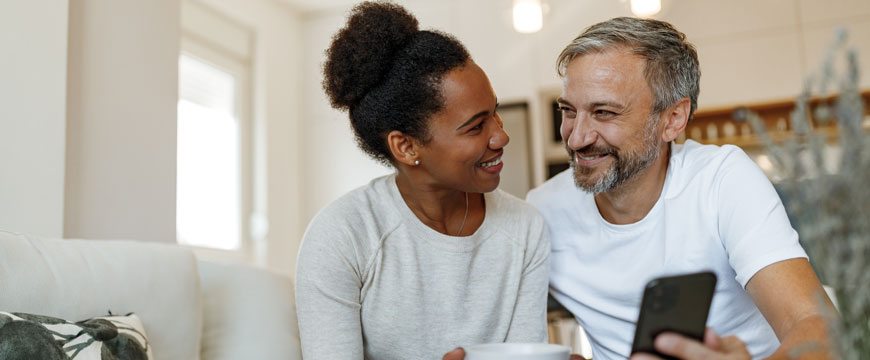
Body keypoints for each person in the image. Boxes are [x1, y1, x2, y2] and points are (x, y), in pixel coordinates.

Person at [526, 17, 836, 360]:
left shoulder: (722, 180)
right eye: (568, 111)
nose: (576, 137)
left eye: (604, 112)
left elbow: (816, 326)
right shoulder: (543, 212)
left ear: (673, 119)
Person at [294, 2, 550, 359]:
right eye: (476, 126)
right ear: (406, 146)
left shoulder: (525, 229)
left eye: (495, 113)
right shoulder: (342, 236)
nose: (500, 136)